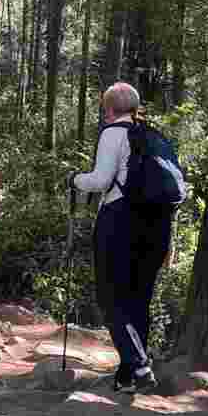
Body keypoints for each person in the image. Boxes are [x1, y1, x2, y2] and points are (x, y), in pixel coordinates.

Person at [69, 82, 172, 394]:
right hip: (157, 224)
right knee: (139, 300)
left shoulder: (113, 133)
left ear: (109, 109)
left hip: (120, 220)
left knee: (111, 297)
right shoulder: (153, 136)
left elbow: (101, 180)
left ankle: (139, 367)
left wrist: (75, 180)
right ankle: (128, 376)